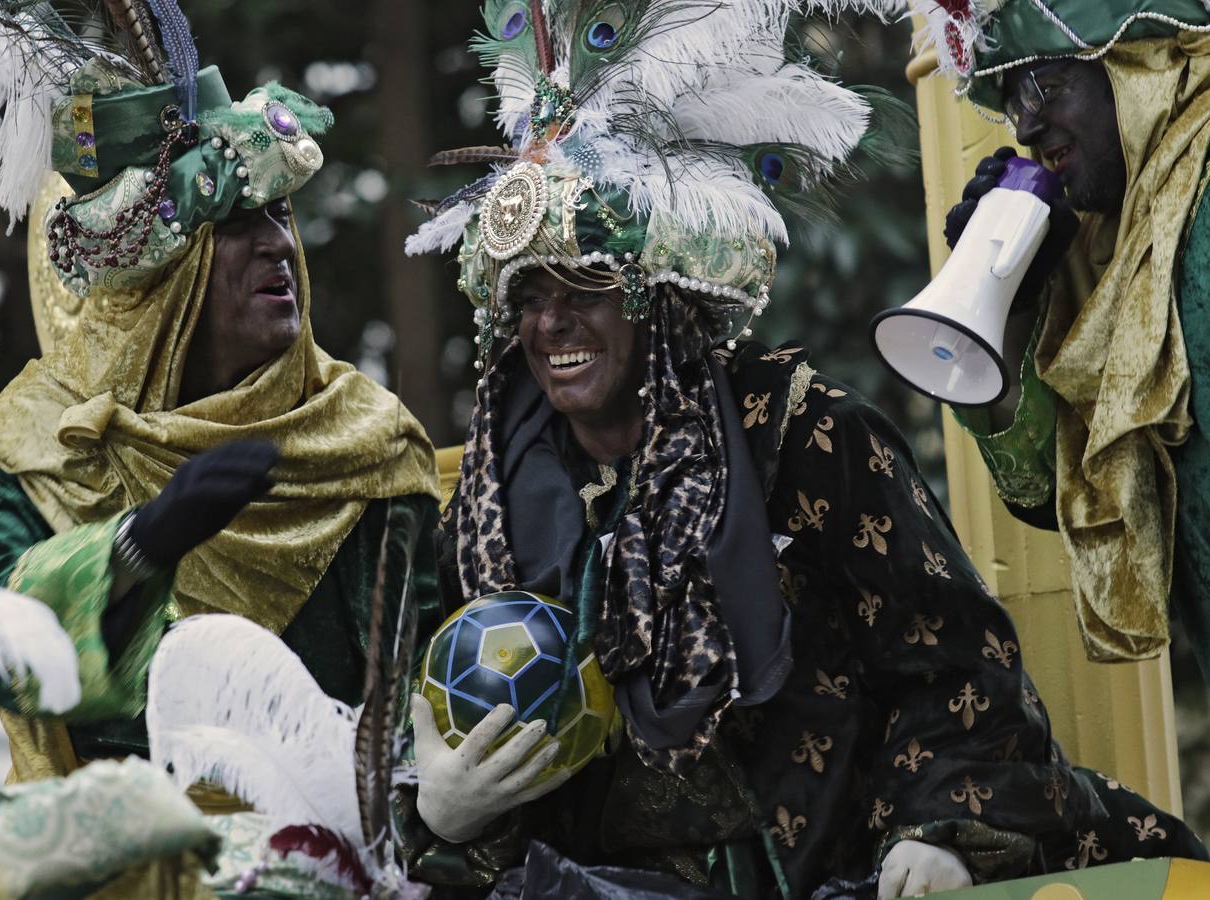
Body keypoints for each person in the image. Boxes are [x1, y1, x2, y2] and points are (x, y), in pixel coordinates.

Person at [397, 1, 1208, 897]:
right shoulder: (491, 495)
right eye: (527, 297)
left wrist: (936, 830)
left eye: (586, 285)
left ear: (661, 296)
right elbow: (426, 721)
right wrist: (444, 809)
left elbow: (951, 662)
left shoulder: (801, 431)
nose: (552, 324)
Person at [0, 6, 445, 788]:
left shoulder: (364, 441)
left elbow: (419, 698)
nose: (278, 241)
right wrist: (139, 545)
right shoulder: (52, 440)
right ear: (161, 284)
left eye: (278, 211)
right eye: (236, 223)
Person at [908, 0, 1210, 675]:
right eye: (1013, 98)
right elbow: (1059, 498)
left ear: (1139, 63)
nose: (1024, 124)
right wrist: (1009, 300)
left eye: (1044, 83)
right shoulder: (1113, 243)